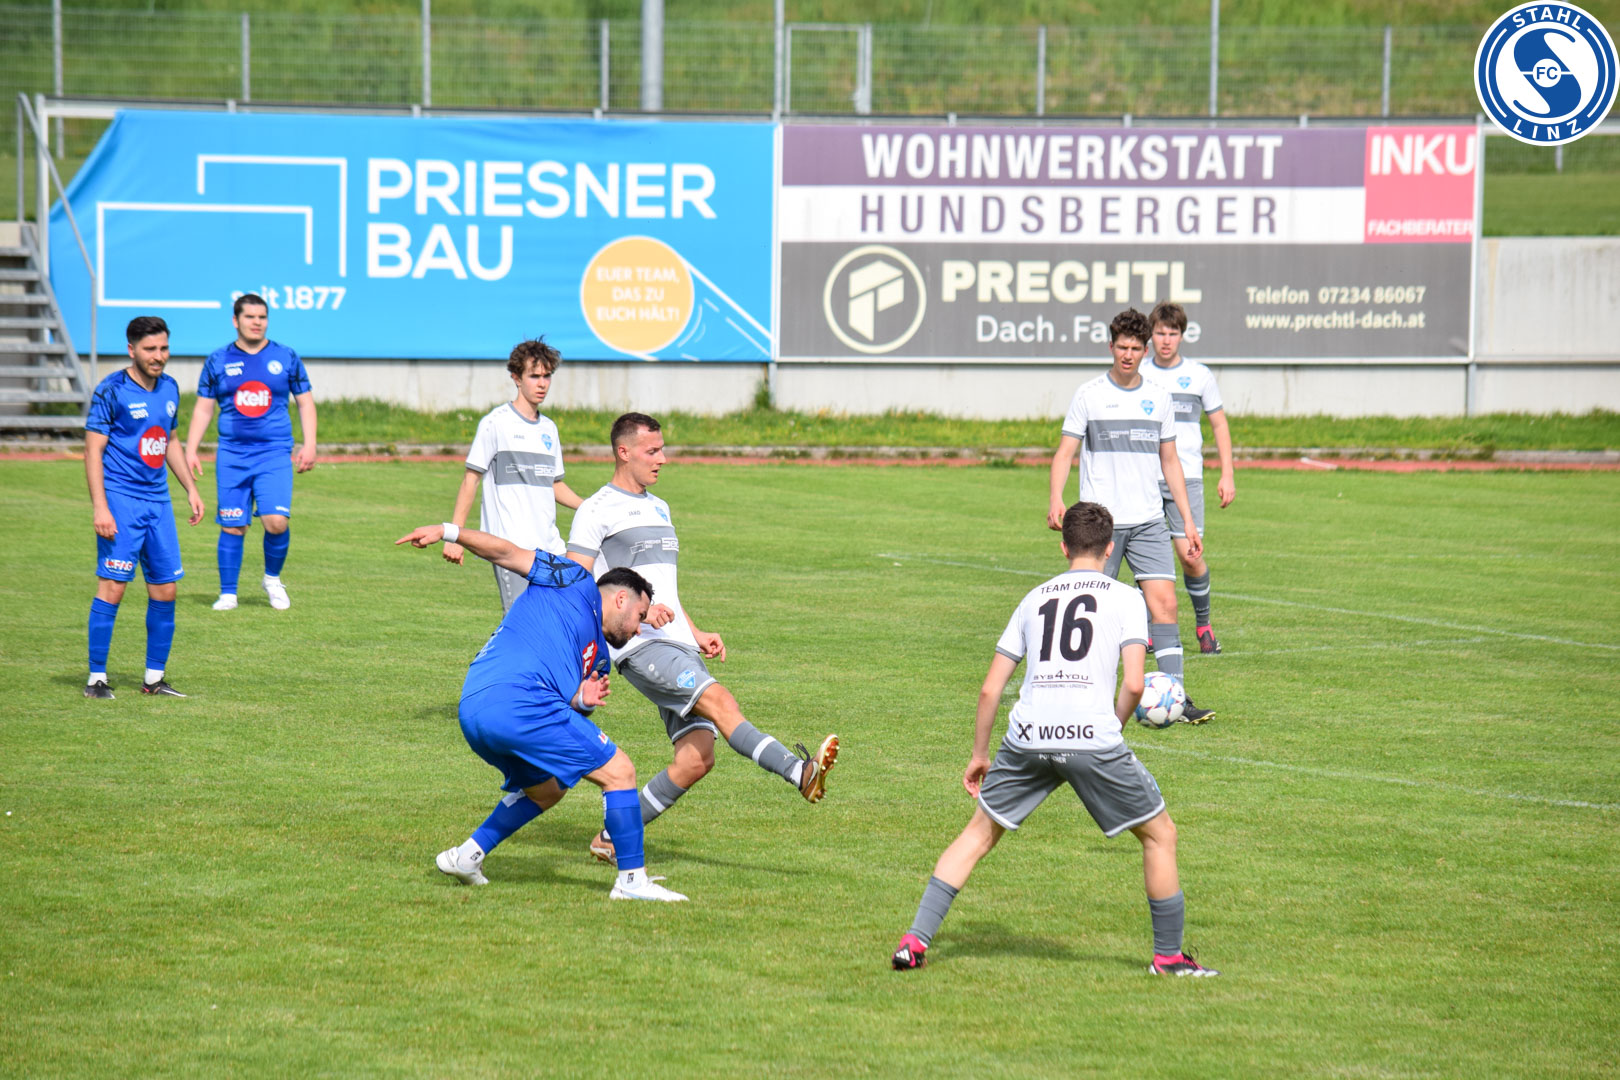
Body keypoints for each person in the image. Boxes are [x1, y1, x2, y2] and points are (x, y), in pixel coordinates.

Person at [891, 501, 1218, 977]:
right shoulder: (1127, 598)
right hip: (1092, 738)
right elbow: (1133, 684)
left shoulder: (1034, 598)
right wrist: (1110, 729)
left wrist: (980, 754)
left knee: (977, 835)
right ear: (1110, 549)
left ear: (1064, 547)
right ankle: (1168, 959)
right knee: (1159, 835)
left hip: (1027, 736)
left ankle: (914, 941)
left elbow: (990, 689)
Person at [566, 412, 839, 863]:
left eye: (662, 449)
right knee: (721, 701)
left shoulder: (659, 507)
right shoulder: (596, 510)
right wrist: (639, 613)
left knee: (696, 760)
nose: (663, 459)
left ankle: (611, 837)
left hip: (678, 643)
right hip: (641, 645)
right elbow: (576, 587)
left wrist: (695, 631)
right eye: (653, 451)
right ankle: (799, 771)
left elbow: (663, 586)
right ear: (624, 452)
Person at [396, 521, 688, 902]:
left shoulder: (599, 659)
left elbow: (567, 713)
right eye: (641, 616)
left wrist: (581, 701)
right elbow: (506, 553)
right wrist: (448, 531)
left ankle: (466, 856)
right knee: (620, 772)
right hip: (518, 701)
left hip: (475, 709)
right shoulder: (572, 578)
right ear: (621, 599)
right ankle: (632, 882)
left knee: (548, 789)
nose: (639, 629)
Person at [1047, 308, 1214, 724]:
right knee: (1093, 610)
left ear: (1145, 350)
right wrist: (1055, 498)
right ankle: (1083, 698)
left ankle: (1176, 698)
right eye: (1122, 347)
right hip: (1099, 522)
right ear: (1111, 346)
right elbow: (1065, 453)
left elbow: (1170, 461)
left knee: (1165, 605)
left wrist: (1187, 520)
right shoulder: (1089, 395)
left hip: (1148, 521)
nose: (1128, 354)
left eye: (1136, 348)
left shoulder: (1158, 397)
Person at [83, 316, 206, 698]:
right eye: (150, 349)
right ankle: (96, 679)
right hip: (121, 500)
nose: (159, 356)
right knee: (113, 587)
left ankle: (154, 679)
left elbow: (170, 441)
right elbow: (92, 451)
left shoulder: (170, 387)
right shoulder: (111, 390)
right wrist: (101, 508)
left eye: (164, 348)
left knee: (166, 590)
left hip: (159, 502)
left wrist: (190, 488)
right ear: (131, 349)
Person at [182, 294, 316, 612]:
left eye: (262, 317)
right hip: (232, 454)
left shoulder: (285, 356)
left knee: (276, 522)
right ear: (235, 320)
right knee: (233, 525)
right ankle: (228, 594)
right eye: (250, 317)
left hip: (274, 453)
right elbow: (203, 408)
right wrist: (191, 448)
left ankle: (272, 580)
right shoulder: (218, 360)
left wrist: (310, 443)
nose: (257, 322)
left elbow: (305, 402)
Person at [443, 338, 583, 611]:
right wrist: (455, 537)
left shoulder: (549, 429)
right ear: (516, 378)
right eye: (534, 376)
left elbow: (553, 484)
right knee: (523, 624)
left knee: (560, 619)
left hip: (551, 548)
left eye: (547, 376)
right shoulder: (495, 423)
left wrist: (589, 507)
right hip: (511, 550)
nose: (542, 384)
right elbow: (471, 480)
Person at [1140, 303, 1235, 655]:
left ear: (1182, 335)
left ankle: (1204, 625)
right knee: (1145, 558)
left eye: (1173, 333)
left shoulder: (1199, 375)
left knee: (1190, 556)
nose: (1166, 340)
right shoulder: (1139, 373)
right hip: (1146, 477)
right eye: (1160, 333)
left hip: (1188, 477)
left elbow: (1219, 424)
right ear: (1151, 335)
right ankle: (1151, 629)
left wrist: (1227, 472)